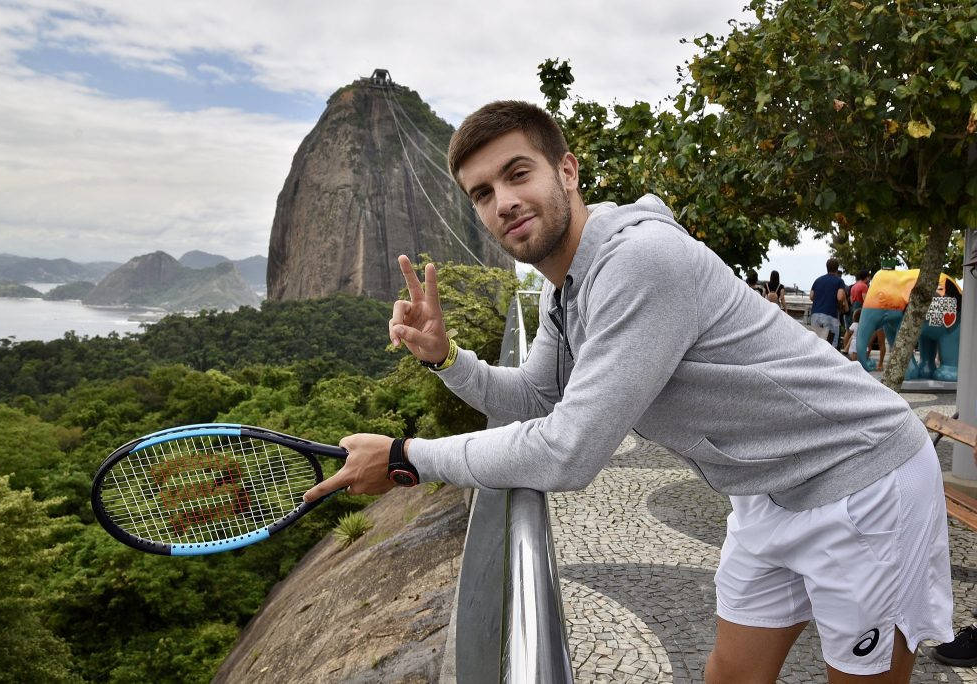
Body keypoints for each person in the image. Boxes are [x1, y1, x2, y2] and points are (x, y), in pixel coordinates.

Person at [303, 101, 952, 682]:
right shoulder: (568, 290)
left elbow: (566, 452)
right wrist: (447, 358)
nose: (502, 201)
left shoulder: (639, 262)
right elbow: (535, 398)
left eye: (517, 173)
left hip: (863, 479)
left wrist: (406, 457)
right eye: (482, 193)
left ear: (568, 172)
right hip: (769, 491)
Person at [810, 258, 848, 346]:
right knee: (831, 345)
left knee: (817, 343)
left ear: (827, 267)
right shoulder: (839, 281)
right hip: (830, 315)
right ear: (837, 268)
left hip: (815, 315)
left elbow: (811, 296)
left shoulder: (818, 280)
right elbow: (840, 297)